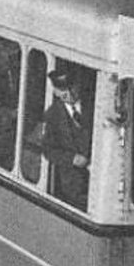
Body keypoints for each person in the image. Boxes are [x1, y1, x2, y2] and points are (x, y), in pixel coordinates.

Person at [42, 69, 91, 209]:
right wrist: (72, 158)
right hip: (73, 186)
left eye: (71, 88)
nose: (69, 94)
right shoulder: (53, 115)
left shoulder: (93, 107)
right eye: (63, 90)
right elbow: (48, 150)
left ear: (77, 86)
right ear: (56, 92)